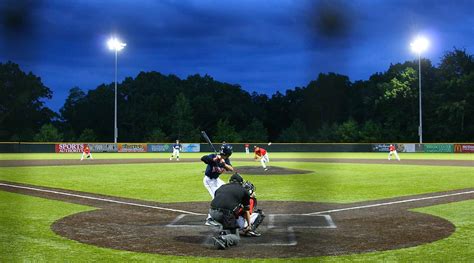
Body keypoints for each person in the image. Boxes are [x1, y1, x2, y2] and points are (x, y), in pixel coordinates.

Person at [209, 173, 252, 249]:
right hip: (224, 214)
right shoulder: (244, 190)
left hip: (211, 212)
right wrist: (248, 225)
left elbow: (217, 199)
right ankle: (223, 239)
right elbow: (247, 209)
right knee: (236, 238)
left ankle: (224, 232)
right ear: (241, 182)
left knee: (228, 217)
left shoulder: (222, 187)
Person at [201, 144, 234, 225]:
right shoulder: (214, 156)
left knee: (226, 191)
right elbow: (203, 158)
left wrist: (224, 164)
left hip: (216, 180)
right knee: (216, 198)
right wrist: (214, 159)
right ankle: (209, 219)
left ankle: (224, 213)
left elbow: (231, 169)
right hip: (209, 180)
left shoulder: (226, 160)